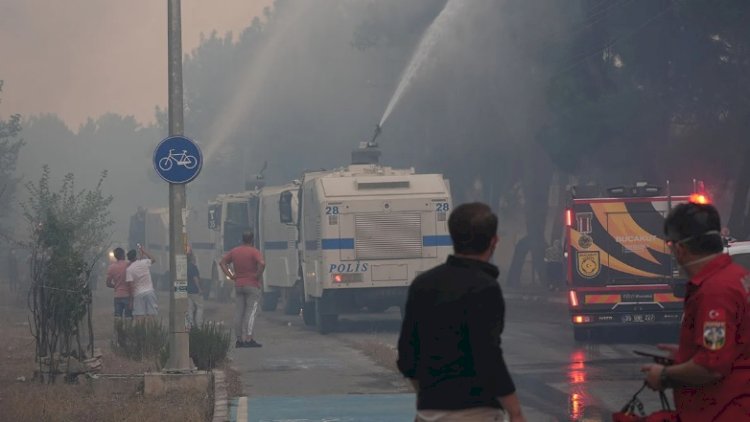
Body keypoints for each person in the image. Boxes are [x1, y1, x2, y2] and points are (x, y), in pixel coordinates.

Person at [397, 202, 526, 422]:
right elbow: (487, 355)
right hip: (477, 412)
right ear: (494, 241)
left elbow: (407, 355)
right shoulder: (485, 288)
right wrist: (515, 411)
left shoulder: (422, 284)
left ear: (453, 237)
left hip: (428, 412)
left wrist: (429, 396)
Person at [641, 202, 750, 421]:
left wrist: (663, 375)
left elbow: (711, 366)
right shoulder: (735, 277)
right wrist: (685, 355)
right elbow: (728, 345)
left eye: (670, 245)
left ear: (680, 249)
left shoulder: (715, 292)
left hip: (724, 410)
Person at [220, 230, 265, 348]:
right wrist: (258, 275)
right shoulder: (254, 252)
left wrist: (230, 275)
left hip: (238, 284)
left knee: (239, 312)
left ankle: (239, 340)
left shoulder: (235, 251)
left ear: (242, 239)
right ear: (252, 240)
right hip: (252, 285)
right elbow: (262, 263)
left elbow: (222, 262)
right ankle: (249, 339)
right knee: (251, 312)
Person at [125, 246, 158, 321]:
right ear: (135, 256)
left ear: (129, 259)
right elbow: (153, 259)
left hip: (138, 294)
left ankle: (140, 331)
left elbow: (131, 287)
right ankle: (151, 331)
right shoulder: (144, 262)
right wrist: (144, 252)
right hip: (149, 292)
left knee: (139, 316)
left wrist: (131, 300)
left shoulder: (129, 270)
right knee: (152, 315)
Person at [105, 247, 132, 319]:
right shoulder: (128, 265)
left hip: (117, 296)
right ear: (123, 255)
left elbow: (108, 283)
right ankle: (128, 330)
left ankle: (118, 330)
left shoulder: (111, 267)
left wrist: (116, 286)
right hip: (128, 296)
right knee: (128, 318)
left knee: (117, 318)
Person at [186, 252, 203, 328]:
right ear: (192, 259)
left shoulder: (186, 267)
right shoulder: (193, 267)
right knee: (200, 307)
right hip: (194, 291)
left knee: (189, 308)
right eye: (195, 258)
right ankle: (199, 325)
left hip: (187, 290)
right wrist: (199, 289)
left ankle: (190, 324)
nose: (196, 259)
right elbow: (195, 278)